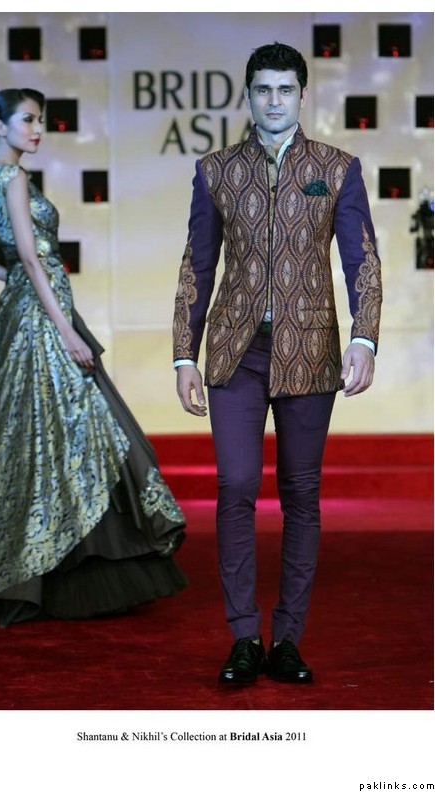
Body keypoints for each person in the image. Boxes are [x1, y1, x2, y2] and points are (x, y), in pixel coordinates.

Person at [173, 42, 382, 685]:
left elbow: (363, 260)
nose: (273, 101)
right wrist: (183, 353)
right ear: (247, 95)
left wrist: (365, 338)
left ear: (301, 95)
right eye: (262, 89)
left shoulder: (336, 168)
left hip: (310, 350)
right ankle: (244, 637)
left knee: (301, 493)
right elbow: (196, 265)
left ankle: (288, 638)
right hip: (235, 352)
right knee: (236, 487)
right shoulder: (215, 170)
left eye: (285, 89)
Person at [0, 88, 187, 627]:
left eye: (40, 120)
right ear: (0, 126)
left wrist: (10, 280)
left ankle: (43, 566)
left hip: (25, 313)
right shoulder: (12, 178)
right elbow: (32, 260)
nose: (38, 129)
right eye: (28, 120)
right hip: (44, 321)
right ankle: (59, 569)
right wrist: (67, 331)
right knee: (78, 426)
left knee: (38, 435)